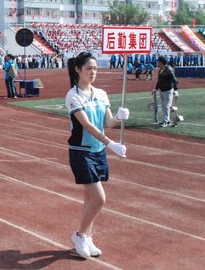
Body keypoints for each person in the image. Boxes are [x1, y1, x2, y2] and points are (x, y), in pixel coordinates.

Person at [65, 51, 129, 258]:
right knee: (99, 199)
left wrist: (118, 117)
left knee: (89, 198)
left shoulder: (101, 94)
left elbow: (107, 123)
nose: (93, 72)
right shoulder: (73, 96)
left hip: (98, 152)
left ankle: (87, 236)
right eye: (89, 68)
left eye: (95, 68)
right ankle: (80, 235)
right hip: (81, 152)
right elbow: (88, 125)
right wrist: (111, 144)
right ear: (78, 70)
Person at [154, 56, 178, 128]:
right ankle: (167, 120)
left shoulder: (169, 70)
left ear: (161, 62)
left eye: (158, 62)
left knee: (166, 106)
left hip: (168, 90)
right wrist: (156, 88)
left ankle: (166, 121)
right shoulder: (161, 70)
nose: (158, 63)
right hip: (162, 90)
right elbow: (159, 80)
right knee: (163, 106)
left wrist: (176, 90)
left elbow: (174, 80)